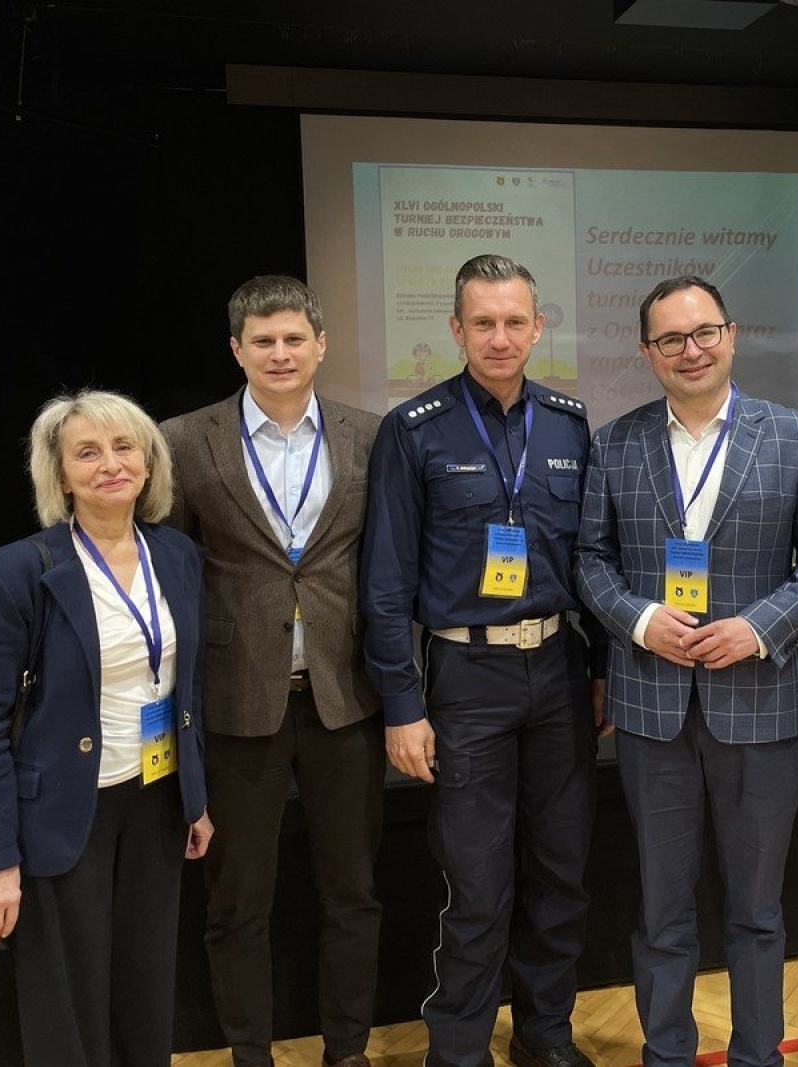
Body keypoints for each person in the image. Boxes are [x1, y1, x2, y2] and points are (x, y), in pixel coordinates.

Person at [574, 276, 798, 1067]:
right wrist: (639, 619)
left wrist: (758, 628)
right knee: (662, 910)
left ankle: (757, 1055)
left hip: (759, 705)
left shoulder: (794, 437)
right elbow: (588, 559)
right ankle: (666, 1053)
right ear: (646, 351)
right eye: (670, 339)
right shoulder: (614, 443)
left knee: (757, 911)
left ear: (730, 336)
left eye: (703, 333)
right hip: (650, 710)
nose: (689, 350)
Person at [361, 253, 602, 1067]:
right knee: (477, 882)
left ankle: (545, 1034)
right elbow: (386, 582)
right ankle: (459, 1050)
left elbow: (594, 559)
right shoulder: (414, 429)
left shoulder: (568, 424)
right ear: (456, 329)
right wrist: (402, 703)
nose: (500, 337)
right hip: (466, 679)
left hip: (559, 670)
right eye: (484, 323)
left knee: (561, 871)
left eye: (515, 322)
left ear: (539, 328)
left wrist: (601, 671)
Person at [162, 276, 384, 1067]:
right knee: (237, 903)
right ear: (237, 349)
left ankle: (348, 1050)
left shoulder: (370, 435)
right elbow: (170, 573)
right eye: (263, 341)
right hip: (235, 703)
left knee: (352, 894)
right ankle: (249, 1054)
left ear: (321, 344)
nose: (280, 353)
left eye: (294, 338)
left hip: (344, 697)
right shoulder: (183, 440)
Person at [0, 389, 212, 1067]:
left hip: (154, 802)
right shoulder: (16, 572)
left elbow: (184, 686)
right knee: (68, 1010)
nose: (110, 465)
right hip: (64, 814)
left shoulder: (176, 555)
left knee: (146, 994)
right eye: (87, 452)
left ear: (149, 464)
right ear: (61, 474)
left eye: (125, 447)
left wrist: (195, 797)